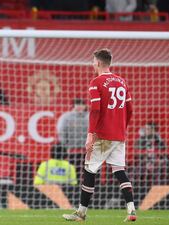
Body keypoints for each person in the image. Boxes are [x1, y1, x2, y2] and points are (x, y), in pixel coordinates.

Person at [62, 48, 136, 222]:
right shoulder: (122, 81)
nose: (92, 64)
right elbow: (130, 109)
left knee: (89, 170)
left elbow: (95, 110)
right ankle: (131, 210)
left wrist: (90, 135)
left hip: (102, 135)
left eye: (93, 61)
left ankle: (81, 213)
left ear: (99, 63)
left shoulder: (96, 82)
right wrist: (122, 127)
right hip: (119, 135)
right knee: (119, 171)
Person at [56, 98, 88, 178]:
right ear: (73, 106)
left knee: (88, 171)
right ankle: (73, 185)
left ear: (85, 106)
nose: (80, 107)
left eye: (82, 105)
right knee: (73, 169)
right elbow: (61, 130)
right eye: (77, 105)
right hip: (72, 150)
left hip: (88, 150)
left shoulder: (90, 116)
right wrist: (65, 145)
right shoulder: (66, 117)